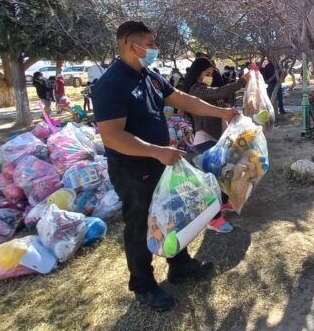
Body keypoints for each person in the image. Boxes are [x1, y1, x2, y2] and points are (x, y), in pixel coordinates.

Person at [94, 21, 239, 311]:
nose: (154, 49)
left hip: (162, 162)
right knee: (140, 225)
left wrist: (221, 111)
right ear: (130, 45)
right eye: (149, 44)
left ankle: (180, 266)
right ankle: (143, 285)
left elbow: (182, 98)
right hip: (132, 168)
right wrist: (156, 151)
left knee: (173, 213)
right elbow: (112, 136)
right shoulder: (111, 84)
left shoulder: (149, 76)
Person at [181, 57, 250, 233]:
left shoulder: (203, 89)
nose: (210, 77)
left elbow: (219, 101)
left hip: (216, 138)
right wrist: (242, 82)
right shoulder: (196, 89)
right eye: (208, 73)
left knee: (223, 173)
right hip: (205, 139)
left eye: (212, 74)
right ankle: (213, 219)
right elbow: (218, 92)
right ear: (198, 71)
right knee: (212, 181)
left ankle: (224, 202)